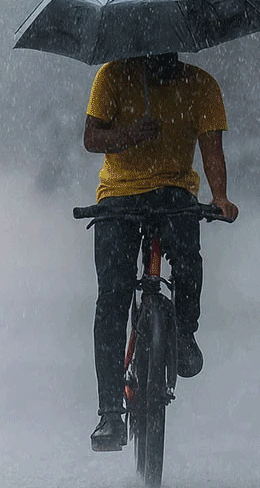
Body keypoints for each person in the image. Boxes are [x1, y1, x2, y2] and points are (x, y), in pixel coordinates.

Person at [82, 52, 239, 452]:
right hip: (118, 195)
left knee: (187, 260)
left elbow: (212, 151)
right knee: (113, 297)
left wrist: (220, 197)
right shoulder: (111, 76)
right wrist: (129, 135)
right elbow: (91, 138)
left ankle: (184, 333)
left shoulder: (202, 86)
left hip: (174, 191)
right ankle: (110, 414)